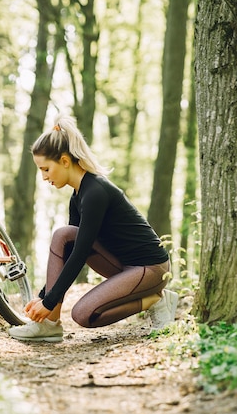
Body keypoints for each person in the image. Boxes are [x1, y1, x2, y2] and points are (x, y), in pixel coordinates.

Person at [9, 114, 178, 342]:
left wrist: (48, 302)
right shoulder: (77, 196)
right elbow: (69, 252)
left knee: (84, 315)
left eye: (46, 169)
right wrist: (43, 297)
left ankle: (157, 300)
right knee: (64, 235)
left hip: (151, 268)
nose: (43, 177)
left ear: (65, 161)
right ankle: (49, 325)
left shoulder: (95, 192)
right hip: (123, 266)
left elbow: (80, 254)